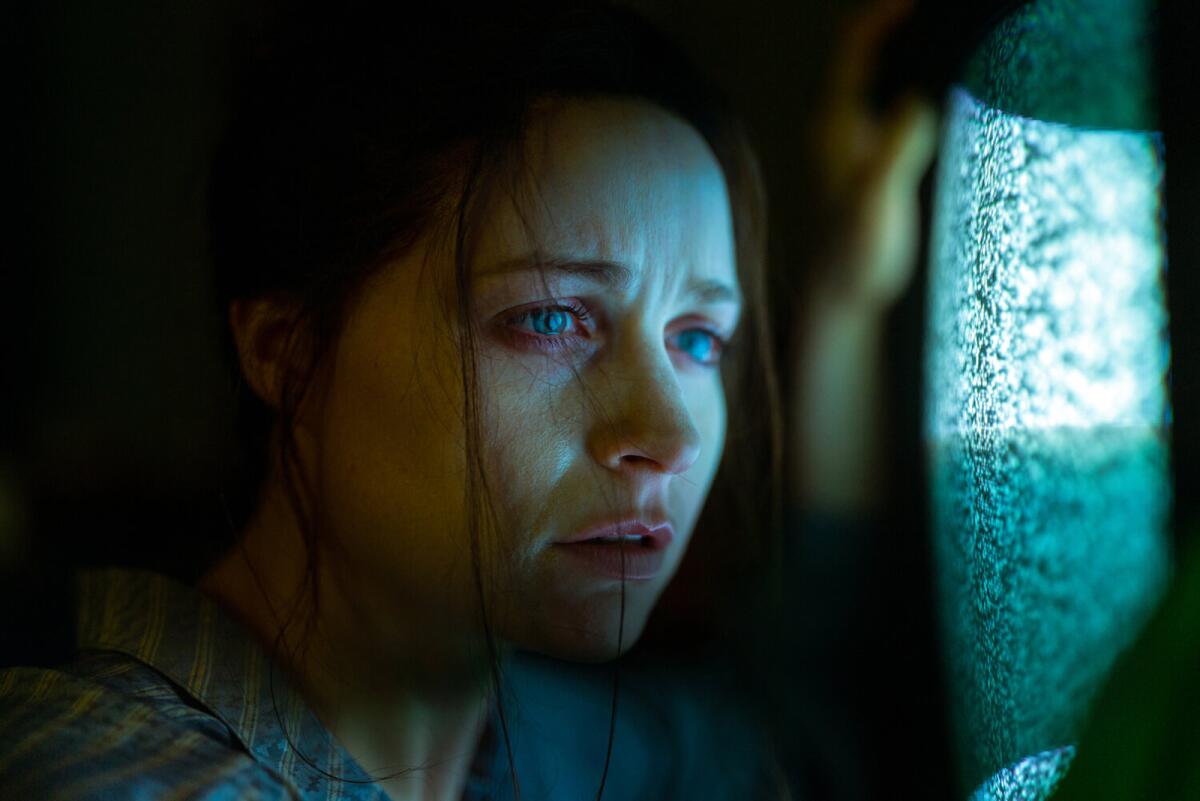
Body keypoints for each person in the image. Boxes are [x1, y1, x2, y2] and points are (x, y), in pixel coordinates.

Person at [0, 1, 936, 799]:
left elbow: (802, 741)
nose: (668, 434)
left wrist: (850, 299)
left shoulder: (552, 745)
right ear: (284, 350)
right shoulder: (98, 774)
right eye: (551, 320)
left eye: (698, 339)